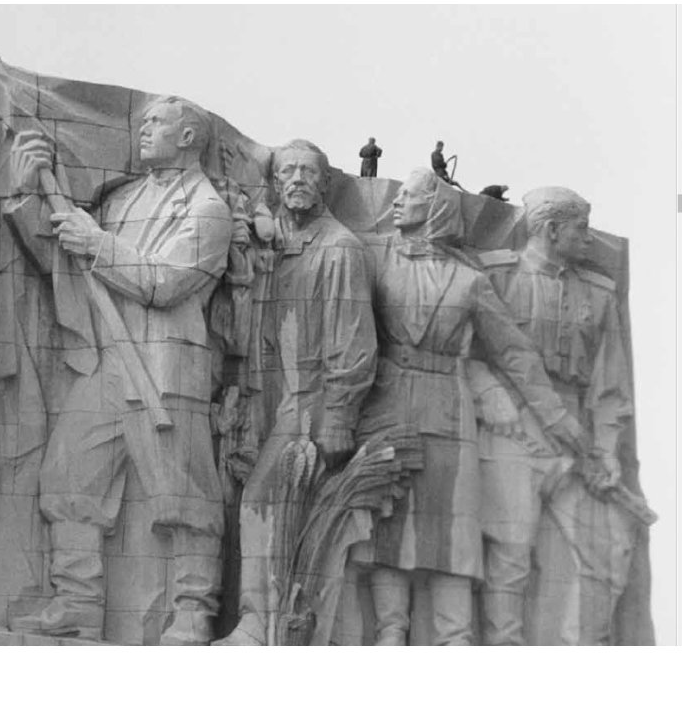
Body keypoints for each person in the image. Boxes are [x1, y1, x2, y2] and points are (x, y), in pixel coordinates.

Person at [7, 96, 233, 644]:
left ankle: (193, 609)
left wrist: (96, 243)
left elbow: (165, 282)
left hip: (165, 364)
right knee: (69, 476)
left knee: (183, 491)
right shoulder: (125, 199)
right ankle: (78, 605)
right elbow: (67, 262)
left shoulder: (209, 209)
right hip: (111, 359)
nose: (143, 130)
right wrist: (27, 193)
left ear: (188, 137)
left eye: (156, 122)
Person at [354, 169, 584, 645]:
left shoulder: (470, 280)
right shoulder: (374, 256)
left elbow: (514, 352)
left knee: (454, 530)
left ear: (435, 207)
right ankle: (390, 632)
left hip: (449, 409)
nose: (397, 202)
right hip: (387, 402)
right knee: (387, 522)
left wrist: (556, 416)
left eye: (409, 196)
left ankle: (455, 637)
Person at [214, 140, 377, 646]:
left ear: (325, 183)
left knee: (262, 501)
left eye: (309, 171)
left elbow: (354, 341)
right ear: (275, 182)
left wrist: (339, 416)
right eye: (288, 172)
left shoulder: (340, 248)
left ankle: (257, 624)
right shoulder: (265, 242)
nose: (298, 179)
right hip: (258, 392)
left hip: (307, 399)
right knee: (240, 502)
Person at [472, 186, 639, 645]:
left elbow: (610, 384)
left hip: (576, 436)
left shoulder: (599, 294)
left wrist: (607, 450)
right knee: (510, 554)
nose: (588, 239)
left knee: (608, 547)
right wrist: (488, 392)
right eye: (580, 229)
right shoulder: (497, 277)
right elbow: (462, 352)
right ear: (550, 230)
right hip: (512, 428)